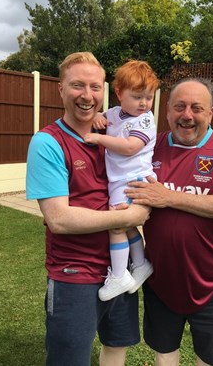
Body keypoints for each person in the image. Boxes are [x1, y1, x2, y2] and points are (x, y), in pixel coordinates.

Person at [26, 52, 150, 366]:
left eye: (95, 87)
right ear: (61, 89)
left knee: (116, 348)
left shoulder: (112, 132)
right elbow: (60, 220)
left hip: (119, 272)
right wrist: (129, 217)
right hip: (74, 273)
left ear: (106, 91)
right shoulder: (47, 143)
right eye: (77, 85)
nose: (87, 95)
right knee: (70, 359)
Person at [125, 77, 213, 366]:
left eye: (197, 108)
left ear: (211, 113)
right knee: (164, 350)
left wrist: (167, 196)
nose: (187, 115)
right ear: (167, 111)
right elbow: (115, 143)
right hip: (159, 275)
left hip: (211, 278)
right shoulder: (150, 146)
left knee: (208, 357)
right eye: (179, 107)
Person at [84, 60, 159, 301]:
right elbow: (103, 118)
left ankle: (119, 274)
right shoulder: (115, 114)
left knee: (115, 225)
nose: (144, 103)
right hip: (119, 180)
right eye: (137, 97)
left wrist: (98, 139)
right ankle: (140, 263)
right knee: (126, 226)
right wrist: (96, 115)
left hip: (132, 179)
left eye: (149, 97)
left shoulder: (145, 120)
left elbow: (129, 147)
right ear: (119, 94)